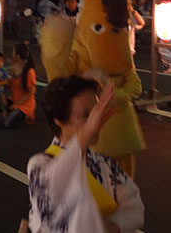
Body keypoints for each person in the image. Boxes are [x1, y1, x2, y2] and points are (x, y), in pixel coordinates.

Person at [28, 75, 144, 233]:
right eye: (86, 115)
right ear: (59, 120)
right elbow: (50, 193)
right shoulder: (40, 164)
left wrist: (112, 227)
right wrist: (85, 135)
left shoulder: (105, 163)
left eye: (96, 112)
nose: (95, 121)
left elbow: (135, 207)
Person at [2, 43, 36, 128]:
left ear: (17, 56)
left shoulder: (29, 72)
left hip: (24, 105)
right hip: (14, 101)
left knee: (7, 124)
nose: (11, 55)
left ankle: (26, 115)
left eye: (13, 52)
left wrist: (16, 105)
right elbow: (11, 85)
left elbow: (31, 92)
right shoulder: (14, 68)